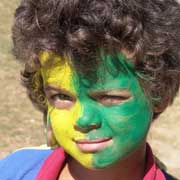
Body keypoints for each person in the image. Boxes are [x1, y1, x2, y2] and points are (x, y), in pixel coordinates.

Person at [0, 0, 180, 179]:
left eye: (110, 98)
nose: (84, 119)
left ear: (159, 93)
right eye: (62, 96)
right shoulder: (13, 171)